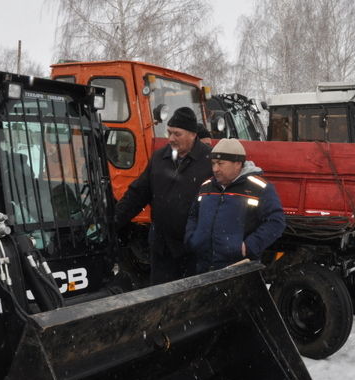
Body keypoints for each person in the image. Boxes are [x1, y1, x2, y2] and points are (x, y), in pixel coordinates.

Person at [114, 107, 212, 285]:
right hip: (162, 247)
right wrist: (114, 221)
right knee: (161, 297)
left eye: (177, 134)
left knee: (190, 299)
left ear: (192, 134)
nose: (171, 138)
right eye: (169, 133)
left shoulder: (209, 162)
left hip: (192, 249)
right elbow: (138, 193)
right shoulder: (160, 157)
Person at [185, 138, 285, 273]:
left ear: (238, 164)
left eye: (221, 163)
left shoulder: (260, 188)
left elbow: (276, 222)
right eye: (213, 163)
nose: (215, 169)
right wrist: (193, 238)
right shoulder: (206, 186)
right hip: (204, 266)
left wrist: (249, 246)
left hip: (239, 268)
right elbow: (193, 215)